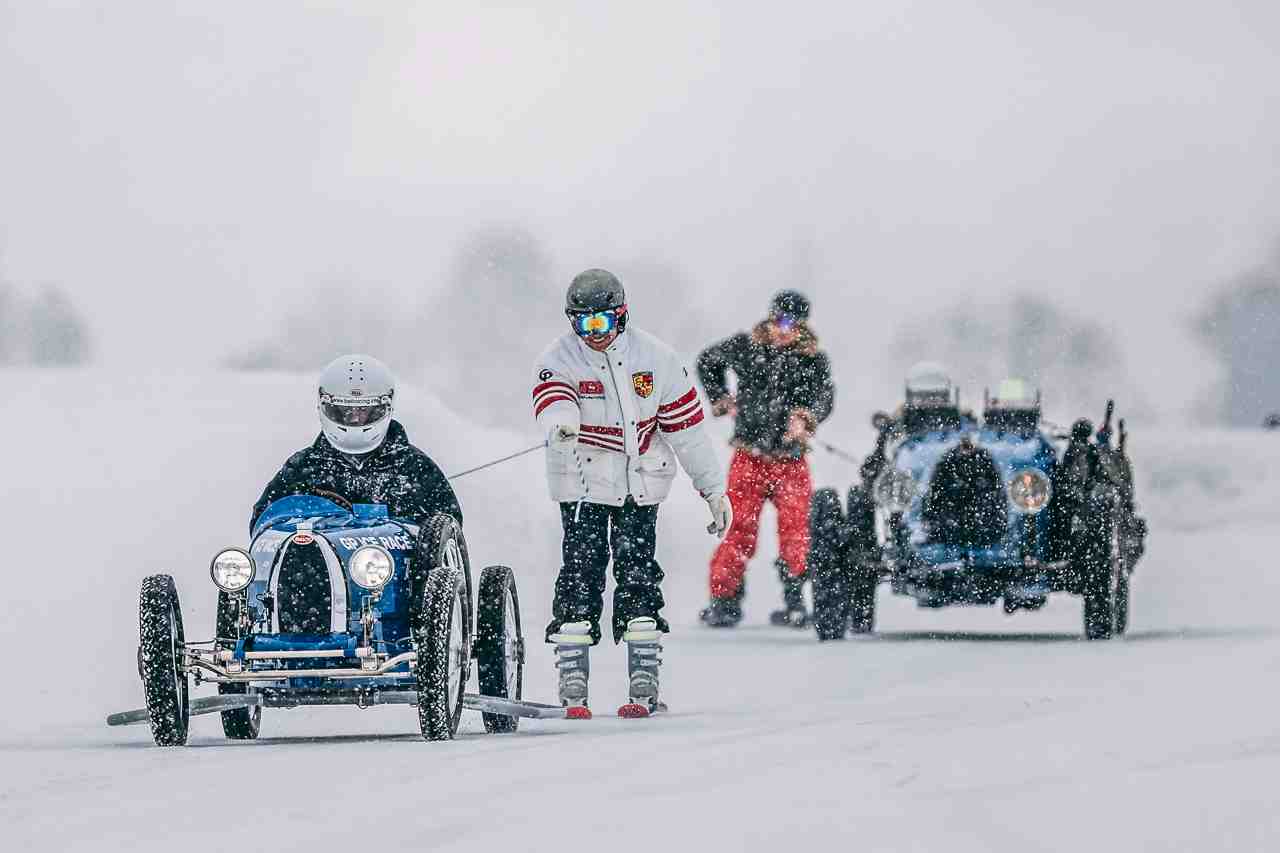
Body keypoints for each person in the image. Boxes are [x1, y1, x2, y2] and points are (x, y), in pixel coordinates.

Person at [532, 269, 729, 718]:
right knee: (580, 573)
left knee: (638, 572)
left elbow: (689, 432)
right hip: (582, 486)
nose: (590, 335)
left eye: (599, 324)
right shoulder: (558, 358)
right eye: (581, 324)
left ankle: (643, 676)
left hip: (639, 488)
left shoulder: (657, 360)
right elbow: (551, 396)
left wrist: (713, 490)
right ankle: (573, 680)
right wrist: (560, 423)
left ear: (620, 317)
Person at [696, 290, 835, 628]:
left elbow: (825, 397)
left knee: (798, 531)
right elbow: (707, 362)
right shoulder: (746, 347)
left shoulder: (813, 360)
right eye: (780, 321)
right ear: (771, 319)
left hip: (791, 461)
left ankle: (796, 600)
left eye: (793, 324)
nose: (784, 329)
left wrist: (806, 418)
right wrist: (719, 397)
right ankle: (724, 600)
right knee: (737, 529)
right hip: (749, 458)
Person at [252, 354, 461, 533]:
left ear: (386, 407)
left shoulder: (414, 467)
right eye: (344, 411)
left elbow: (447, 530)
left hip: (395, 577)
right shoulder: (304, 466)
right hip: (316, 575)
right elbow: (265, 523)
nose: (354, 420)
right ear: (324, 406)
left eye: (364, 411)